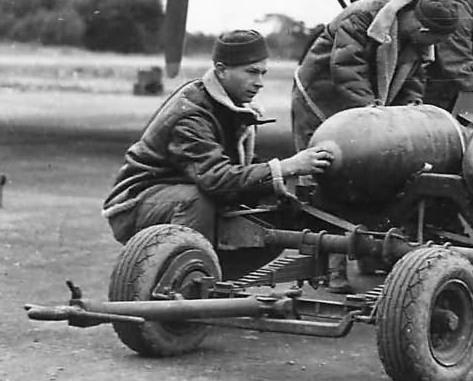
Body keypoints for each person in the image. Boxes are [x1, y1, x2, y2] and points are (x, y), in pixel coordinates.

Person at [291, 0, 460, 292]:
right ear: (423, 30)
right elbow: (346, 68)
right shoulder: (361, 17)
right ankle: (330, 267)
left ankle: (369, 254)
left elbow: (414, 79)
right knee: (328, 176)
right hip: (322, 103)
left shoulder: (414, 35)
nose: (430, 48)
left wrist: (411, 108)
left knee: (378, 172)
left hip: (370, 111)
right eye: (431, 40)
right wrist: (374, 115)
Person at [103, 29, 334, 246]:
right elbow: (217, 180)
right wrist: (287, 166)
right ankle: (186, 281)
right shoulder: (192, 114)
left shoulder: (229, 106)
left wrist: (280, 192)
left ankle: (214, 275)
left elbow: (237, 169)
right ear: (222, 70)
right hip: (135, 204)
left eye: (263, 73)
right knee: (195, 201)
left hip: (173, 191)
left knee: (273, 206)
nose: (260, 83)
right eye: (251, 72)